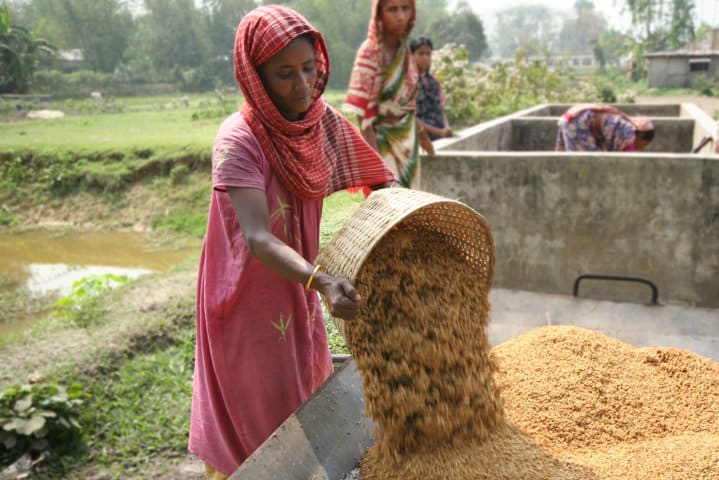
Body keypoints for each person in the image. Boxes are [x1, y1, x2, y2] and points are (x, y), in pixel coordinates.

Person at [188, 5, 397, 479]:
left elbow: (381, 182)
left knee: (304, 387)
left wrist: (408, 225)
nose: (302, 84)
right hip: (247, 297)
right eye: (284, 74)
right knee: (258, 418)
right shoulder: (239, 138)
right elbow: (258, 237)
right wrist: (322, 280)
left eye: (309, 68)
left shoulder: (321, 124)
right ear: (255, 77)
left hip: (299, 288)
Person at [344, 0, 431, 188]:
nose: (400, 16)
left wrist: (422, 135)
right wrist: (378, 168)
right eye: (392, 9)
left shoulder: (404, 53)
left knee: (412, 210)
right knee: (390, 210)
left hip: (408, 144)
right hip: (381, 143)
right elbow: (363, 117)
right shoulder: (371, 52)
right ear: (379, 13)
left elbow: (406, 106)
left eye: (405, 8)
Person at [555, 103, 655, 152]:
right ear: (642, 137)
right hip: (578, 124)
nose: (641, 148)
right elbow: (628, 161)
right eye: (644, 145)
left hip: (576, 119)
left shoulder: (624, 124)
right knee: (585, 164)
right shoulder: (629, 136)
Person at [410, 36, 453, 141]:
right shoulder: (408, 82)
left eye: (428, 54)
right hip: (420, 139)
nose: (425, 57)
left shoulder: (434, 81)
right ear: (412, 55)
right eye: (421, 53)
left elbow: (441, 110)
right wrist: (438, 132)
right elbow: (409, 118)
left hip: (440, 136)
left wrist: (447, 129)